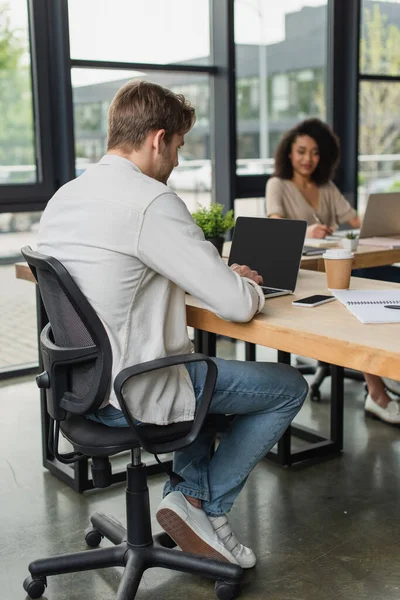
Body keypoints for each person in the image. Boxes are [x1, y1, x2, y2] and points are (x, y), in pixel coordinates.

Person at [37, 80, 308, 569]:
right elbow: (237, 306)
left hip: (83, 388)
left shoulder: (65, 197)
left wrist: (204, 275)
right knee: (287, 386)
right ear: (158, 139)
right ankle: (202, 503)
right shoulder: (151, 202)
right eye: (179, 147)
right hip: (135, 390)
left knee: (200, 371)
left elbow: (117, 277)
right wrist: (238, 281)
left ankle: (189, 496)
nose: (179, 162)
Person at [266, 118, 400, 425]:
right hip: (298, 275)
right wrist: (307, 230)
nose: (307, 159)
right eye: (301, 151)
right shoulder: (278, 185)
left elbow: (354, 221)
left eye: (314, 153)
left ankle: (387, 368)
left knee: (377, 286)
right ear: (289, 152)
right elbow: (274, 222)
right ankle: (377, 392)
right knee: (354, 300)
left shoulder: (325, 186)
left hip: (332, 268)